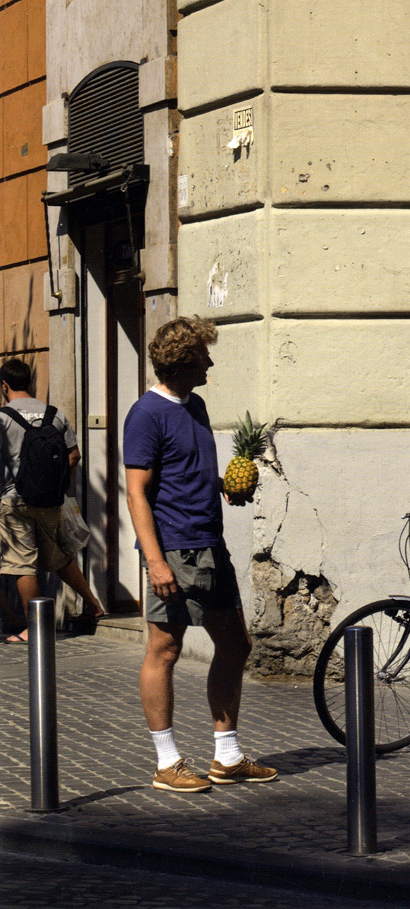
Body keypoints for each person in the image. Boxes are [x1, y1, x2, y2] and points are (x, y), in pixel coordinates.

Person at [124, 317, 275, 794]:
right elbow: (136, 494)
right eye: (204, 356)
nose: (211, 362)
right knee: (164, 650)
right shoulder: (145, 414)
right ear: (185, 363)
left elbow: (189, 471)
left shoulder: (197, 406)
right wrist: (156, 561)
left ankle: (226, 757)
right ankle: (167, 763)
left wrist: (226, 488)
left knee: (236, 645)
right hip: (173, 548)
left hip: (210, 545)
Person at [0, 358, 106, 643]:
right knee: (57, 557)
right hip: (50, 501)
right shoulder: (55, 414)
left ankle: (34, 630)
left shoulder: (2, 418)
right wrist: (58, 484)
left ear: (4, 385)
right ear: (31, 383)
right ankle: (94, 604)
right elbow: (74, 455)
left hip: (14, 501)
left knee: (24, 564)